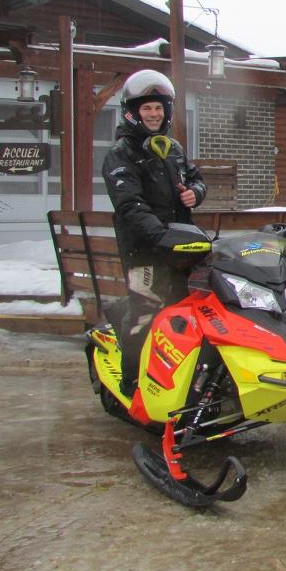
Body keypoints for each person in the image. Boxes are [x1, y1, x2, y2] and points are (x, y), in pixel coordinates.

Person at [102, 69, 206, 397]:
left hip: (179, 249)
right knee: (145, 315)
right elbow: (130, 205)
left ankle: (177, 381)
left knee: (183, 315)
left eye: (159, 108)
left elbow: (195, 178)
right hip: (143, 250)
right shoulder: (121, 154)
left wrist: (195, 193)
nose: (154, 114)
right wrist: (159, 236)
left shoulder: (172, 148)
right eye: (147, 108)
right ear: (133, 112)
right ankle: (132, 384)